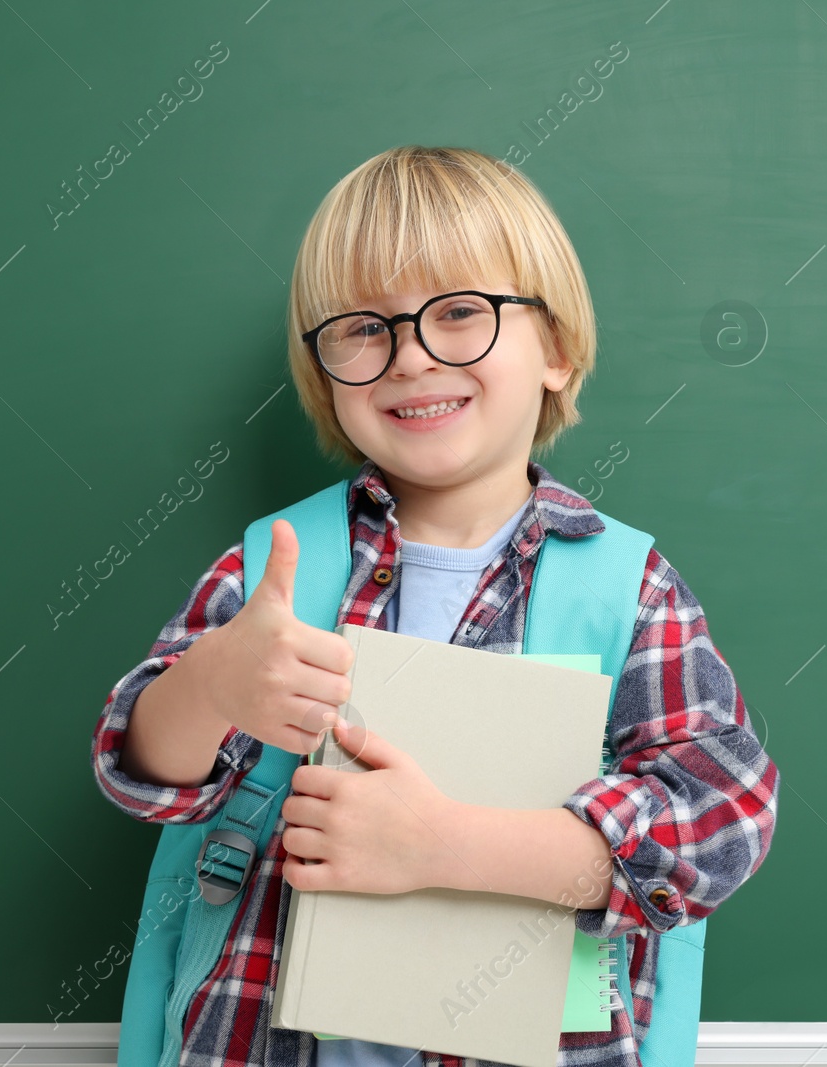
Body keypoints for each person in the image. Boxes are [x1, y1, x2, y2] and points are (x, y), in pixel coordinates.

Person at [90, 144, 781, 1067]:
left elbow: (720, 819)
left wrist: (447, 845)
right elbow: (140, 774)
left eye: (460, 313)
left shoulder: (627, 585)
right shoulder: (278, 565)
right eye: (363, 328)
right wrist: (213, 683)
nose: (410, 355)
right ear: (327, 372)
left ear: (557, 349)